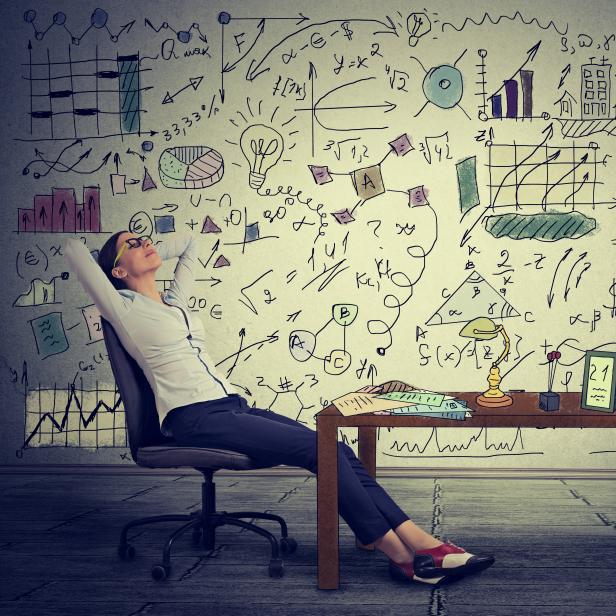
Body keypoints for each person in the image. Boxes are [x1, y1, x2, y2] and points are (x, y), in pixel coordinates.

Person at [63, 230, 495, 586]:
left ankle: (415, 543)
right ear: (117, 271)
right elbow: (72, 250)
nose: (145, 243)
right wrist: (129, 254)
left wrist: (147, 244)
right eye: (132, 244)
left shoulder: (175, 304)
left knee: (334, 447)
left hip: (229, 405)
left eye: (146, 238)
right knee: (317, 451)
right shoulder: (120, 307)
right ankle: (403, 553)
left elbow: (194, 243)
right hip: (194, 418)